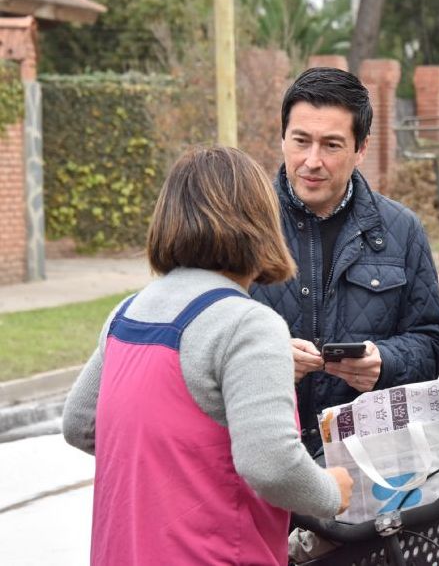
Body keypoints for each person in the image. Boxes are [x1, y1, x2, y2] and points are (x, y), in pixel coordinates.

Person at [62, 146, 353, 565]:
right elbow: (271, 465)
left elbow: (80, 425)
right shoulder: (247, 325)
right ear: (259, 223)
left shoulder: (127, 313)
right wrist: (331, 491)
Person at [250, 67, 439, 454]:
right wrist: (263, 359)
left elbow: (432, 343)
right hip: (263, 455)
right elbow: (202, 341)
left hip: (365, 463)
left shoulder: (402, 230)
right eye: (301, 141)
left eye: (331, 145)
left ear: (361, 149)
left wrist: (386, 362)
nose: (311, 161)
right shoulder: (244, 223)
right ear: (282, 139)